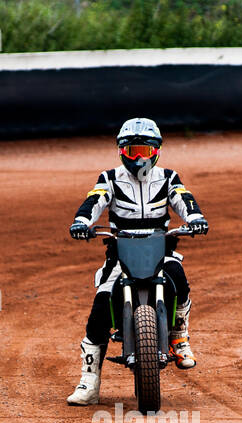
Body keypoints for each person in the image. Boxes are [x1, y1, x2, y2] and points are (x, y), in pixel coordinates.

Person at [65, 117, 209, 406]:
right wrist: (82, 221)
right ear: (121, 152)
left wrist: (195, 217)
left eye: (144, 150)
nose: (139, 158)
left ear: (156, 151)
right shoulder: (110, 178)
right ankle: (89, 381)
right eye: (132, 151)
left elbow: (183, 198)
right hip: (120, 253)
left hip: (161, 250)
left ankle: (179, 337)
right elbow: (94, 200)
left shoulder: (168, 177)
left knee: (179, 279)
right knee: (100, 307)